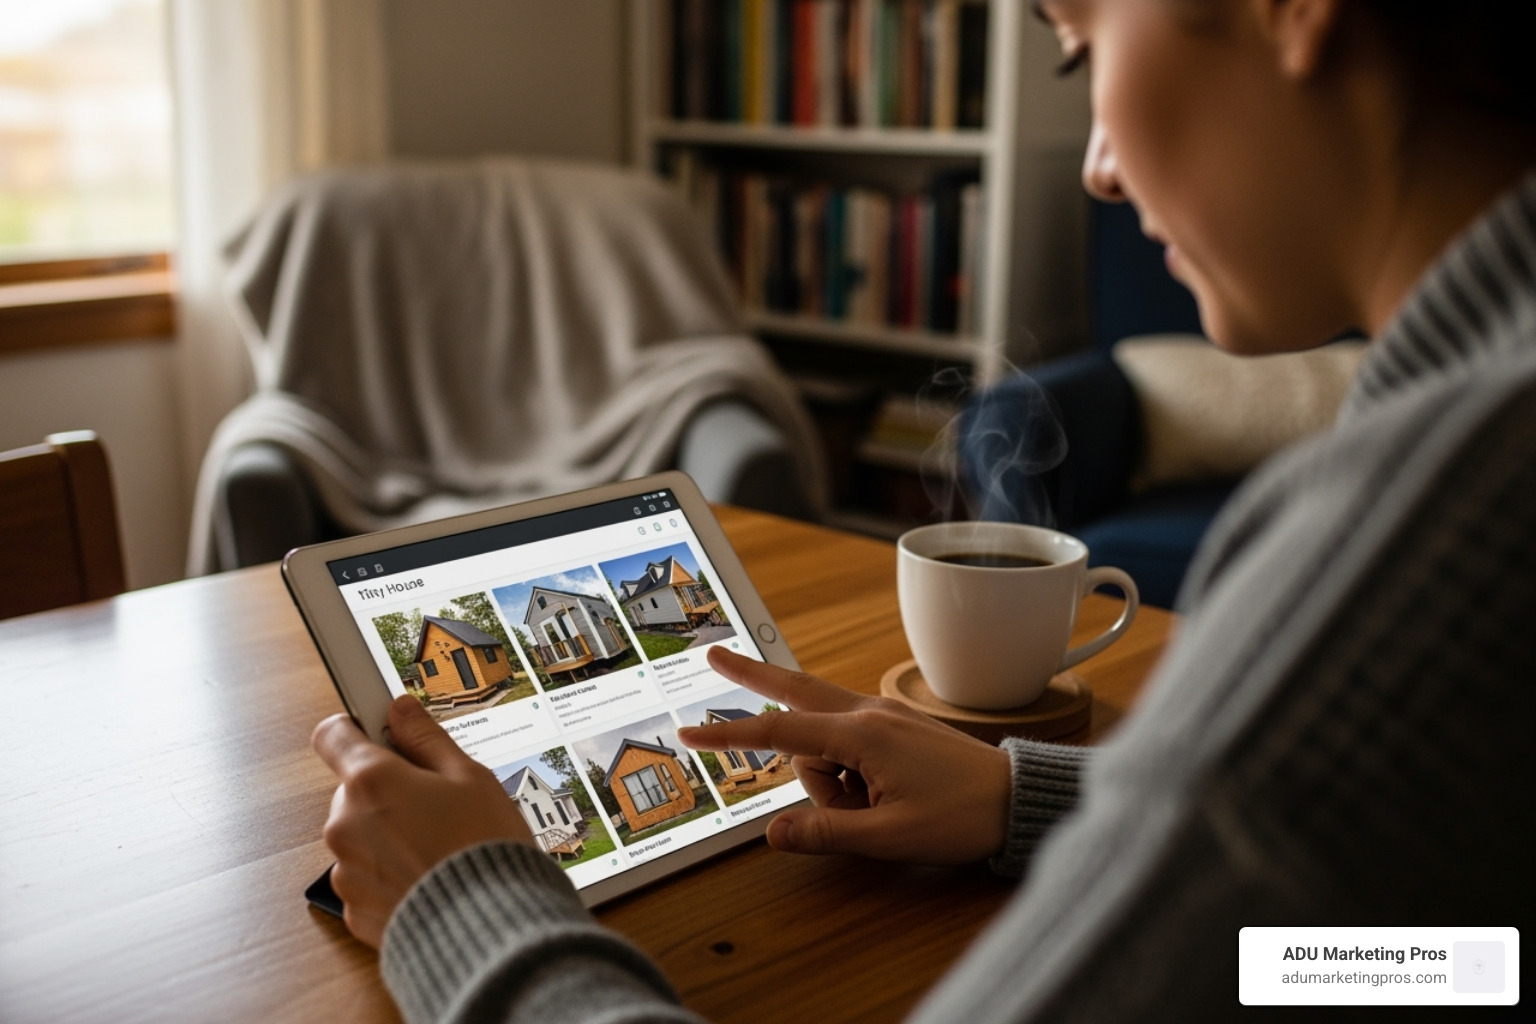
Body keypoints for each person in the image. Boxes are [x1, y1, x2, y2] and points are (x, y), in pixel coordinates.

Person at [312, 0, 1536, 1020]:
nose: (1098, 167)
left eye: (1080, 47)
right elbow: (1460, 962)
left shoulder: (1438, 505)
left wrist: (466, 903)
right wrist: (1037, 805)